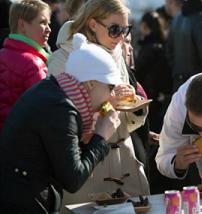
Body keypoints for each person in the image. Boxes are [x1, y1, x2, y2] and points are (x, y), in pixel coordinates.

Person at [0, 33, 122, 213]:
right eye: (110, 87)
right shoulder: (61, 109)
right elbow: (73, 179)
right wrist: (101, 137)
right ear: (90, 85)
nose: (112, 96)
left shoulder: (53, 89)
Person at [48, 0, 150, 208]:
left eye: (125, 29)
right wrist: (110, 102)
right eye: (115, 29)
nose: (122, 37)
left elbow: (126, 123)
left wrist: (132, 104)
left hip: (124, 163)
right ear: (93, 24)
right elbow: (63, 120)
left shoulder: (117, 53)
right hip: (88, 169)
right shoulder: (62, 58)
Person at [0, 0, 51, 131]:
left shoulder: (2, 54)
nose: (49, 29)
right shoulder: (34, 64)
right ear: (22, 25)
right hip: (23, 141)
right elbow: (44, 109)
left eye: (48, 24)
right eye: (42, 22)